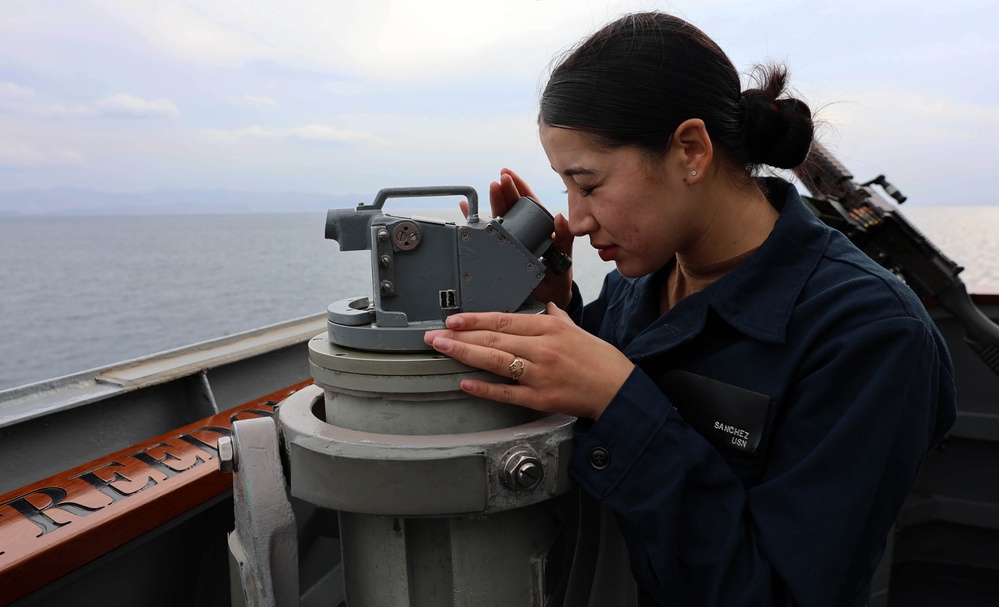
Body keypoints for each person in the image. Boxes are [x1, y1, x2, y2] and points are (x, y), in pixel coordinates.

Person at [424, 11, 956, 606]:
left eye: (589, 183)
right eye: (565, 187)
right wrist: (555, 307)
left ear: (690, 150)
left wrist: (621, 404)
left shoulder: (869, 334)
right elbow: (605, 377)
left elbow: (783, 593)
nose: (573, 218)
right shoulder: (645, 279)